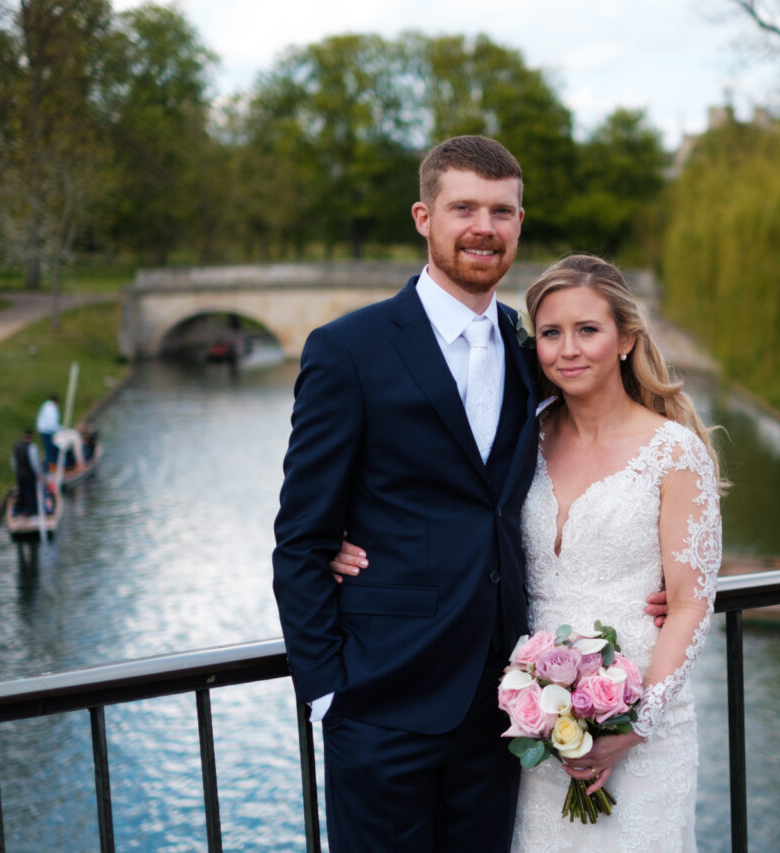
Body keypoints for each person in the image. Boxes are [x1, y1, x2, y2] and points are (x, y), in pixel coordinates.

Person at [273, 135, 539, 852]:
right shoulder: (348, 349)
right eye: (464, 208)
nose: (484, 226)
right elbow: (301, 538)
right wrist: (330, 692)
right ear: (424, 216)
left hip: (501, 708)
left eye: (502, 211)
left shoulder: (528, 348)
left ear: (519, 224)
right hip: (381, 706)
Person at [508, 254, 723, 851]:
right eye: (551, 333)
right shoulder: (524, 437)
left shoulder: (674, 453)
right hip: (535, 726)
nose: (567, 350)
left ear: (626, 339)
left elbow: (688, 604)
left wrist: (635, 726)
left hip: (642, 722)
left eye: (588, 330)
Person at [11, 428, 43, 516]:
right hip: (29, 474)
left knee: (21, 491)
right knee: (30, 492)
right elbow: (34, 463)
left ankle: (20, 510)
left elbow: (13, 462)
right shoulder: (32, 447)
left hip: (19, 473)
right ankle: (30, 511)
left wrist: (17, 471)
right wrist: (39, 473)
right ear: (31, 437)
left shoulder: (16, 446)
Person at [35, 393, 62, 471]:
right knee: (50, 452)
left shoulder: (46, 406)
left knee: (48, 451)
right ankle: (48, 470)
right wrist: (60, 430)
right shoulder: (51, 409)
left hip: (43, 431)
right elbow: (52, 424)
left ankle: (49, 469)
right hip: (47, 432)